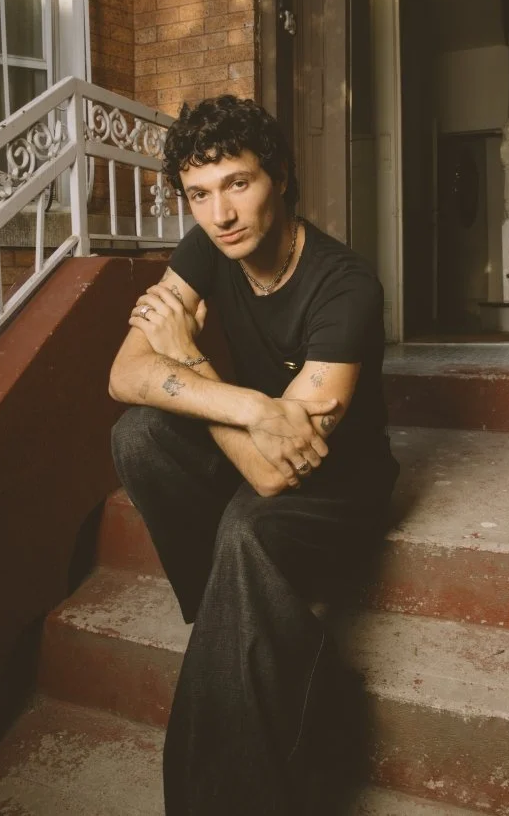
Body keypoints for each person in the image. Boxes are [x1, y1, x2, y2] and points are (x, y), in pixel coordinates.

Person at [109, 95, 400, 816]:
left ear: (280, 177)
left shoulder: (346, 286)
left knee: (247, 532)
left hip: (339, 479)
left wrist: (190, 360)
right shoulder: (209, 245)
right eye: (199, 195)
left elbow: (278, 472)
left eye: (239, 183)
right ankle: (233, 631)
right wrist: (250, 405)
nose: (220, 214)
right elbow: (124, 376)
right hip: (259, 441)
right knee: (136, 436)